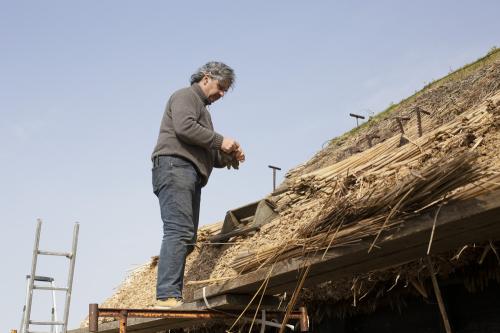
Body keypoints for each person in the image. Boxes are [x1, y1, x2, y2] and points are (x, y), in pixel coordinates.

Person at [151, 61, 244, 309]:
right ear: (206, 78)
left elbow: (210, 153)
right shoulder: (184, 96)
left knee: (188, 237)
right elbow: (184, 128)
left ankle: (170, 292)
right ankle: (166, 296)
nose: (222, 94)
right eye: (221, 87)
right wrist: (220, 140)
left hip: (188, 172)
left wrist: (228, 155)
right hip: (175, 167)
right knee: (178, 231)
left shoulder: (204, 113)